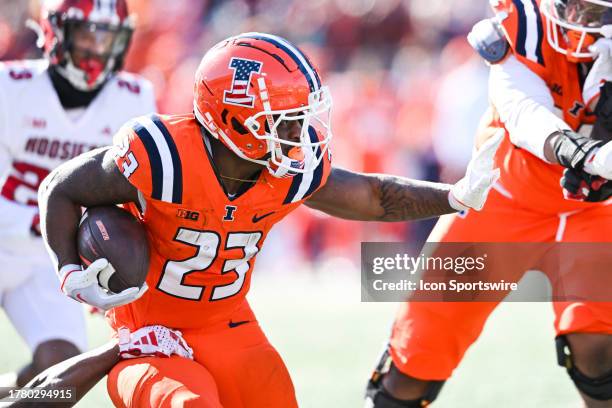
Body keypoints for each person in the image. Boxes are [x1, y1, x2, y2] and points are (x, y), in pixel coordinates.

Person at [38, 32, 502, 407]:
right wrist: (68, 270)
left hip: (226, 323)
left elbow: (371, 196)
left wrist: (454, 196)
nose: (301, 134)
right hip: (147, 335)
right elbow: (61, 187)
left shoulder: (286, 172)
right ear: (234, 119)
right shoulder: (164, 157)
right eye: (287, 120)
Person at [366, 1, 612, 407]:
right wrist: (583, 154)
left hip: (595, 212)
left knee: (598, 352)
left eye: (594, 12)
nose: (578, 22)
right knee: (415, 358)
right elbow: (523, 110)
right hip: (502, 200)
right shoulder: (523, 26)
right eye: (573, 6)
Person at [0, 0, 156, 390]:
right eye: (87, 34)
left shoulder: (133, 98)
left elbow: (133, 196)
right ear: (56, 32)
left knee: (60, 372)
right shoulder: (10, 86)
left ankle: (8, 393)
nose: (97, 49)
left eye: (107, 38)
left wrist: (101, 259)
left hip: (48, 258)